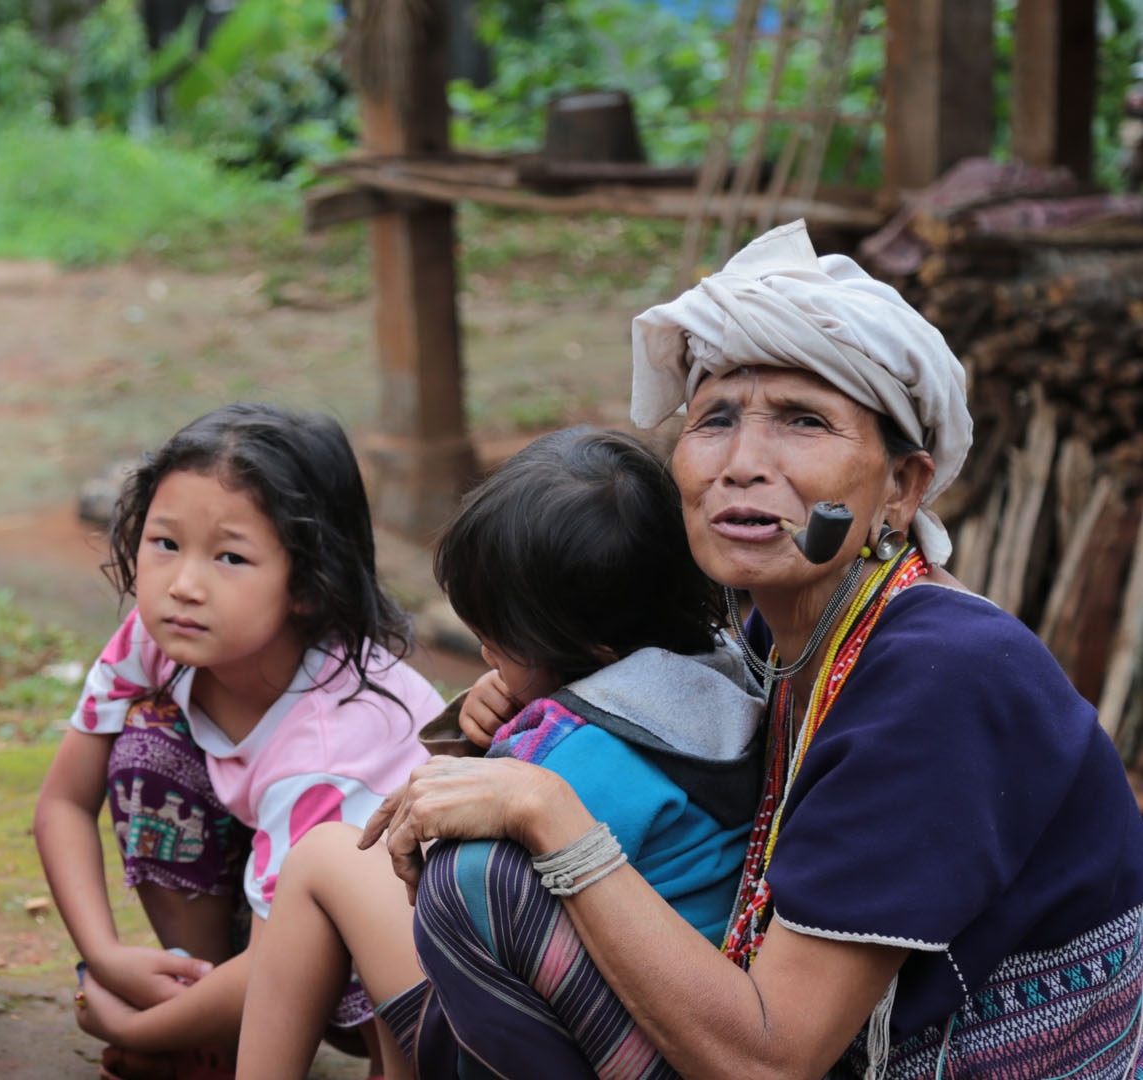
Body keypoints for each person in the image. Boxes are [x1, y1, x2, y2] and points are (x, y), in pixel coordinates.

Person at [357, 220, 1143, 1078]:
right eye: (715, 419)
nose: (742, 462)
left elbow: (772, 1062)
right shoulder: (781, 627)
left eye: (804, 421)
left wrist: (549, 812)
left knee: (484, 884)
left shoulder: (942, 675)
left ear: (902, 486)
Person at [237, 425, 768, 1080]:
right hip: (644, 1012)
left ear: (583, 649)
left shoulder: (583, 757)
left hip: (607, 1040)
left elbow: (460, 883)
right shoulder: (713, 677)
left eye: (498, 643)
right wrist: (517, 704)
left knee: (329, 857)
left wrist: (501, 742)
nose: (486, 655)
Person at [32, 403, 443, 1078]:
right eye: (165, 543)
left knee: (387, 947)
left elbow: (288, 952)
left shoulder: (331, 739)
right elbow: (63, 806)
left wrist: (137, 1025)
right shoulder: (154, 638)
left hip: (395, 959)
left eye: (230, 556)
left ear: (308, 586)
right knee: (147, 746)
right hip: (271, 926)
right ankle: (208, 1022)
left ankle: (215, 1031)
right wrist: (103, 957)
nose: (184, 586)